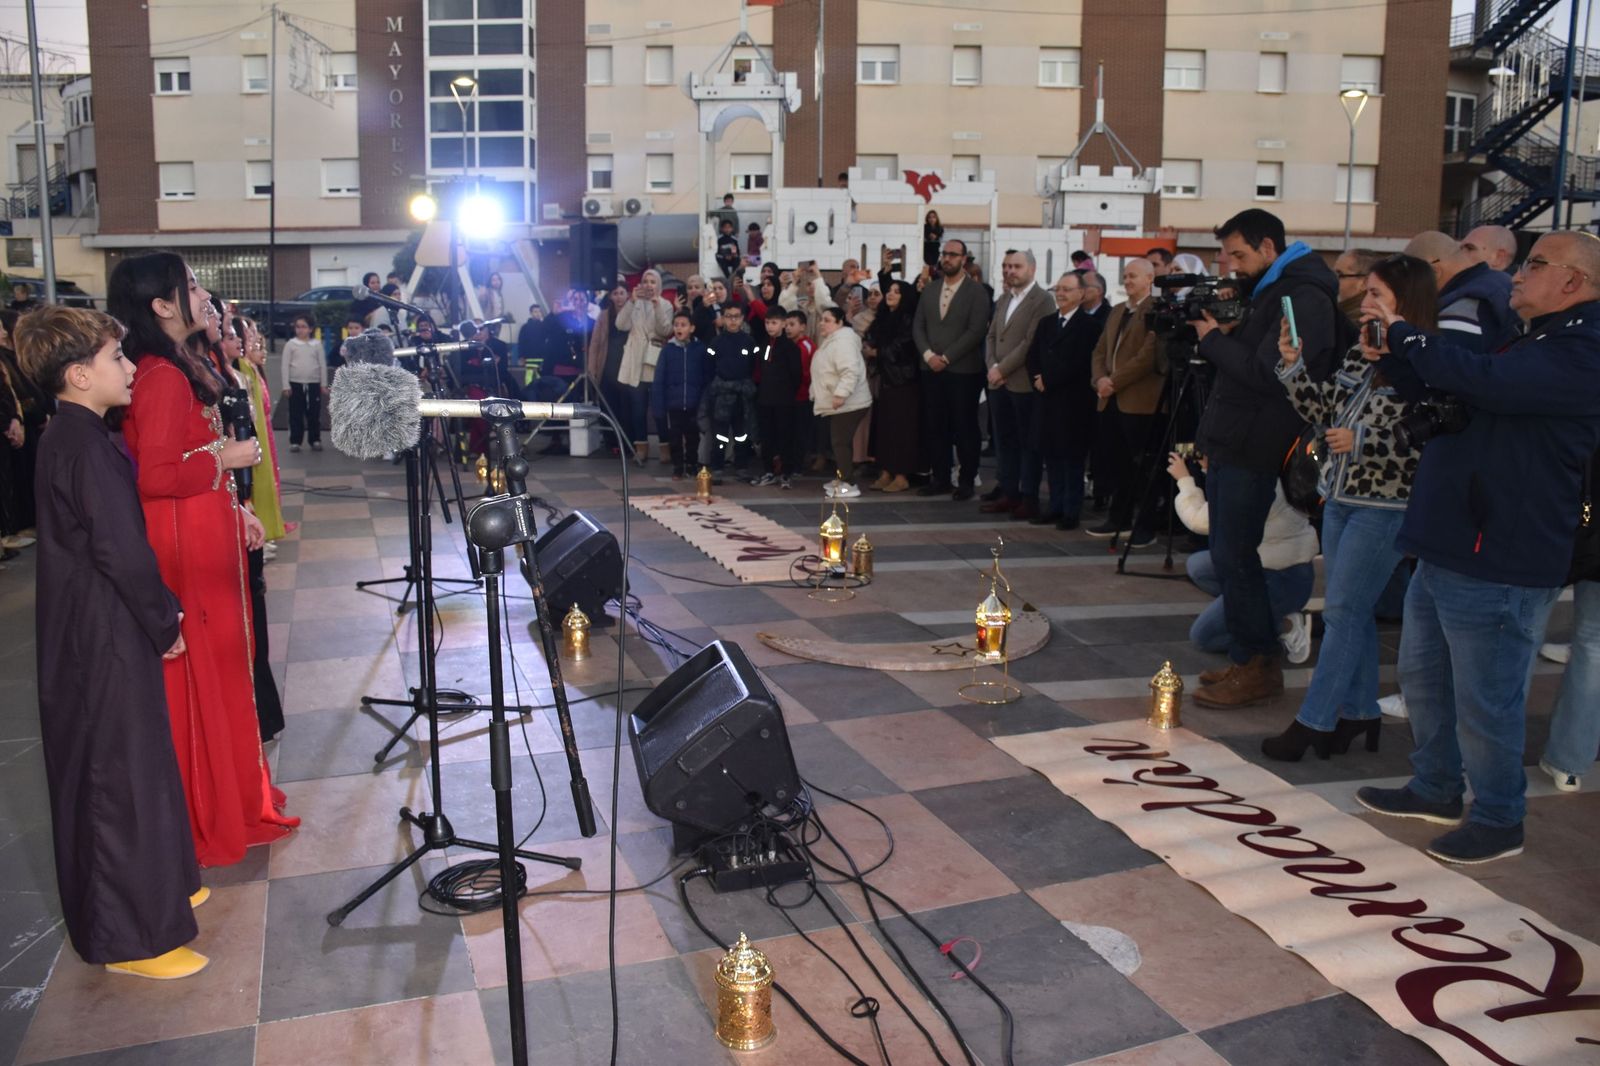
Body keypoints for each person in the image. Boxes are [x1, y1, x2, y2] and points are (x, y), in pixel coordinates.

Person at [1355, 230, 1600, 864]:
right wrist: (1394, 360)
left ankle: (1498, 818)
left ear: (1575, 281)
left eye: (1537, 263)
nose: (1516, 273)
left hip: (1502, 554)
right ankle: (1435, 787)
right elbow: (1457, 396)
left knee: (1486, 699)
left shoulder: (1583, 347)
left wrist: (1409, 334)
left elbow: (1488, 382)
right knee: (1427, 681)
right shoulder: (1534, 339)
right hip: (1452, 538)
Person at [17, 306, 208, 981]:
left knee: (139, 766)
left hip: (107, 625)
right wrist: (166, 619)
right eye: (115, 360)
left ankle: (161, 890)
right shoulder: (78, 443)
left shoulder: (80, 436)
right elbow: (122, 553)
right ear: (77, 375)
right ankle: (130, 939)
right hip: (98, 635)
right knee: (112, 783)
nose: (130, 368)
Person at [110, 252, 298, 868]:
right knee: (206, 680)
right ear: (161, 306)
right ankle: (214, 809)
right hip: (183, 543)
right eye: (189, 286)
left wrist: (232, 502)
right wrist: (226, 459)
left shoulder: (176, 364)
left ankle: (232, 796)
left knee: (224, 671)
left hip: (201, 525)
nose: (201, 295)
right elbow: (158, 474)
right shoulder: (162, 375)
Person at [1260, 253, 1435, 762]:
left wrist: (1359, 439)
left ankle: (1313, 721)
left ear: (1408, 301)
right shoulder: (1363, 354)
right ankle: (1359, 712)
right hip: (1338, 499)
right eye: (1368, 294)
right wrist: (1292, 365)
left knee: (1342, 612)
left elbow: (1426, 439)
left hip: (1385, 506)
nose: (1365, 305)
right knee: (1348, 615)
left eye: (1377, 294)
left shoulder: (1425, 360)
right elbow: (1322, 414)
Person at [1190, 208, 1341, 708]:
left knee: (1237, 557)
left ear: (1269, 249)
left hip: (1256, 446)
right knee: (1229, 556)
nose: (1230, 265)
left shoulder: (1302, 295)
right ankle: (1246, 658)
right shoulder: (1274, 290)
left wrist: (1211, 341)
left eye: (1239, 254)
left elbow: (1268, 375)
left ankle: (1257, 664)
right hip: (1238, 439)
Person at [1171, 453, 1317, 664]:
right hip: (1274, 564)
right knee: (1199, 566)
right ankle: (1249, 610)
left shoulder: (1257, 482)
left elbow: (1200, 521)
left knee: (1204, 637)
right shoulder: (1272, 466)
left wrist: (1184, 480)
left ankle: (1283, 624)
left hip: (1279, 576)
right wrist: (1209, 470)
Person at [1087, 258, 1164, 546]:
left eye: (1133, 276)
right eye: (1125, 276)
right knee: (1118, 463)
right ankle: (1118, 518)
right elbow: (1099, 351)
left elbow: (1148, 356)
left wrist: (1113, 381)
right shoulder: (1118, 310)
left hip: (1141, 401)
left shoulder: (1156, 310)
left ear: (1149, 278)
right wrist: (1099, 380)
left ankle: (1145, 525)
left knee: (1143, 467)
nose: (1127, 280)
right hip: (1111, 399)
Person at [912, 239, 993, 500]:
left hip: (963, 371)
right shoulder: (931, 289)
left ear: (964, 259)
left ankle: (967, 479)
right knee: (936, 425)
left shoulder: (976, 291)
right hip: (930, 369)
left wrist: (946, 358)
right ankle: (941, 478)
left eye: (953, 254)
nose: (947, 258)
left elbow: (976, 330)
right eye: (944, 254)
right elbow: (918, 326)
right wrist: (928, 355)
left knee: (965, 426)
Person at [980, 250, 1055, 520]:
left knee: (1027, 444)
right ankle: (1009, 493)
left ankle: (1028, 496)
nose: (1010, 271)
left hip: (1021, 383)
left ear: (1031, 270)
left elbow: (1030, 341)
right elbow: (991, 336)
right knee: (1004, 441)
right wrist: (991, 367)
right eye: (1006, 266)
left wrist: (1002, 368)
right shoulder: (1003, 298)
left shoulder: (1043, 300)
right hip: (998, 382)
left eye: (1016, 266)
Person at [1026, 272, 1103, 528]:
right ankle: (1055, 506)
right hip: (1046, 401)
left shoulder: (1089, 326)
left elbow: (1080, 362)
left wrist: (1050, 379)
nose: (1060, 294)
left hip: (1073, 403)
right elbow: (1033, 355)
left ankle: (1071, 511)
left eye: (1067, 289)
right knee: (1052, 458)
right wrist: (1037, 377)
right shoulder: (1047, 322)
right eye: (1058, 289)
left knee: (1071, 460)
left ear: (1081, 294)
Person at [1403, 231, 1515, 353]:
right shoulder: (1498, 284)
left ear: (1434, 273)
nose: (1410, 291)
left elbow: (1438, 366)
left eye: (1412, 280)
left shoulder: (1463, 309)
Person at [863, 279, 920, 494]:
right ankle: (885, 470)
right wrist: (870, 346)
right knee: (884, 427)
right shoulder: (884, 317)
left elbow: (904, 346)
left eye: (897, 291)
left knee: (901, 429)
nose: (891, 294)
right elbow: (873, 336)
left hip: (903, 380)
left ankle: (901, 475)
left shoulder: (908, 318)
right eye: (889, 291)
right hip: (885, 379)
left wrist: (878, 352)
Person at [812, 307, 872, 498]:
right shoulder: (833, 340)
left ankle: (849, 483)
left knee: (840, 443)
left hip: (848, 403)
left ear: (839, 323)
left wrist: (840, 394)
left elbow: (849, 371)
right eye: (822, 319)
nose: (822, 323)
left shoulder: (843, 342)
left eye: (828, 320)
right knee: (840, 442)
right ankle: (843, 477)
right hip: (840, 402)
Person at [616, 269, 673, 463]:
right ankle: (641, 448)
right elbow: (620, 325)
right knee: (638, 410)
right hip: (635, 363)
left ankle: (665, 447)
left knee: (658, 410)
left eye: (652, 282)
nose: (649, 285)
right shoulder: (634, 304)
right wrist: (631, 302)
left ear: (658, 285)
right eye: (645, 281)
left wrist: (657, 306)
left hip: (655, 361)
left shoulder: (665, 304)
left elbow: (665, 330)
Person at [650, 312, 711, 480]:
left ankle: (692, 464)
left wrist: (704, 401)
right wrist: (658, 405)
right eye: (676, 325)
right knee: (675, 437)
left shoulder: (700, 349)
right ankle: (678, 466)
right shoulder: (667, 350)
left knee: (693, 437)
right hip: (674, 403)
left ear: (691, 328)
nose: (679, 328)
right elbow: (659, 378)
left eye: (683, 325)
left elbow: (706, 376)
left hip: (694, 402)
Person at [704, 302, 758, 478]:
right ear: (723, 318)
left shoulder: (749, 341)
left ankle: (741, 465)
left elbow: (754, 366)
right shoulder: (716, 342)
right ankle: (717, 466)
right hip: (721, 395)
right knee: (720, 434)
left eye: (736, 316)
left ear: (742, 318)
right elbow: (709, 367)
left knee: (742, 434)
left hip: (742, 394)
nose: (732, 320)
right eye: (729, 316)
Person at [754, 308, 804, 487]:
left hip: (784, 400)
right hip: (765, 399)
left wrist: (787, 393)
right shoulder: (764, 343)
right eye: (767, 323)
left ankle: (786, 473)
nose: (770, 326)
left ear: (783, 323)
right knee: (767, 437)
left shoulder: (790, 347)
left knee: (785, 436)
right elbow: (761, 367)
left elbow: (796, 375)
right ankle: (768, 471)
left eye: (774, 322)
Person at [281, 314, 324, 453]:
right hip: (295, 383)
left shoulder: (317, 345)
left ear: (311, 329)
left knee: (314, 413)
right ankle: (295, 441)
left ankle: (315, 439)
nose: (300, 330)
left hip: (313, 383)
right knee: (295, 413)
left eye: (304, 327)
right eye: (298, 327)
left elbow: (322, 364)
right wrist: (285, 385)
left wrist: (323, 383)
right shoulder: (291, 344)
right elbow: (285, 365)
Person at [1332, 248, 1383, 321]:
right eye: (1333, 274)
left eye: (1340, 274)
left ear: (1365, 283)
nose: (1333, 280)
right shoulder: (1341, 314)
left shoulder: (1356, 321)